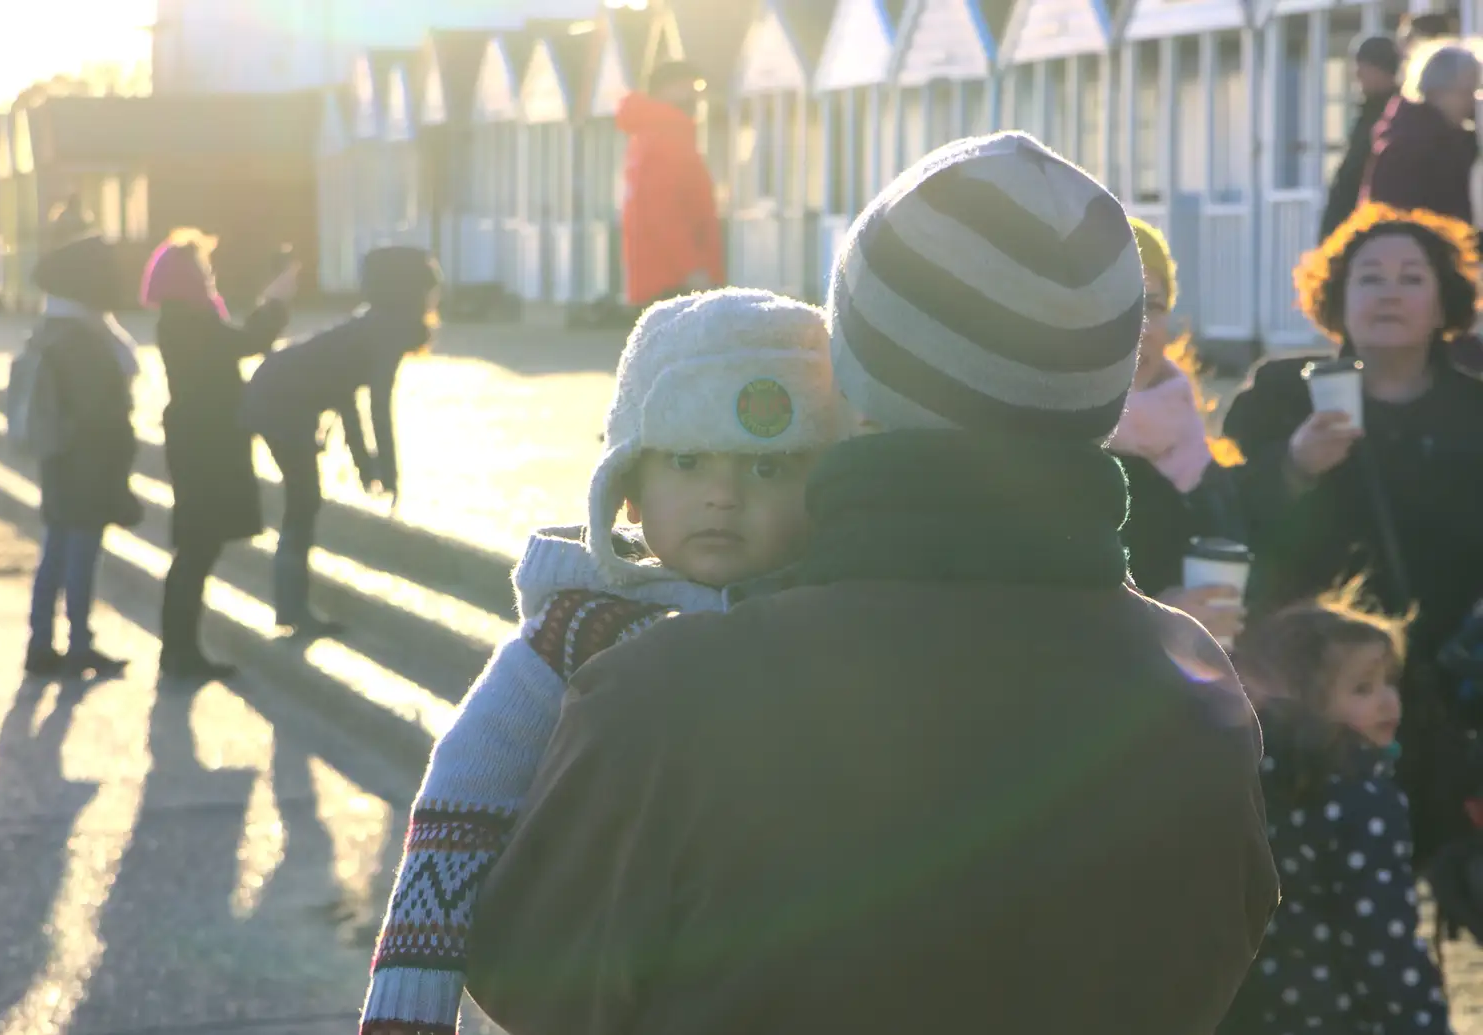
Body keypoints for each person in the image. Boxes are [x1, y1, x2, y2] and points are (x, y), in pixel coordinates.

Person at [465, 132, 1277, 1035]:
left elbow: (528, 990)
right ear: (1101, 385)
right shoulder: (1195, 691)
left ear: (849, 374)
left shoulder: (668, 695)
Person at [358, 288, 850, 1035]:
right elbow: (461, 795)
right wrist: (412, 1001)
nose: (722, 495)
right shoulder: (574, 630)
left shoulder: (835, 622)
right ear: (626, 489)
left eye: (767, 468)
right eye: (687, 460)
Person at [1225, 202, 1483, 863]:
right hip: (1313, 688)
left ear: (1444, 299)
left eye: (1410, 277)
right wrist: (1293, 466)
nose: (1389, 291)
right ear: (1338, 296)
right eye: (1369, 277)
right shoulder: (1282, 395)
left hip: (1450, 684)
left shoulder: (1474, 408)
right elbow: (1225, 522)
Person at [1220, 593, 1450, 1035]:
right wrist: (1422, 1023)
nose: (1388, 702)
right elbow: (1382, 937)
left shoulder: (1252, 787)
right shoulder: (1362, 797)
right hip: (1344, 1016)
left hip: (1258, 1012)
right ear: (1304, 705)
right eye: (1362, 689)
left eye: (1389, 682)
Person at [241, 246, 440, 637]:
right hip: (280, 401)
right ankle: (292, 608)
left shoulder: (374, 323)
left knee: (303, 502)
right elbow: (378, 404)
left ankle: (291, 607)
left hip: (277, 393)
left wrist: (369, 467)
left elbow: (347, 396)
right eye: (430, 287)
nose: (434, 296)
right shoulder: (389, 328)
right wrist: (389, 472)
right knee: (303, 502)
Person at [140, 229, 298, 681]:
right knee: (196, 549)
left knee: (196, 548)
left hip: (198, 439)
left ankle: (180, 650)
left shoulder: (182, 319)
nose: (210, 276)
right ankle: (179, 654)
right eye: (203, 269)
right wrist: (276, 302)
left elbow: (239, 342)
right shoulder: (191, 321)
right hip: (203, 443)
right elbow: (248, 342)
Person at [1112, 218, 1247, 642]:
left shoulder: (1188, 434)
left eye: (1152, 305)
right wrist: (1157, 614)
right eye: (1117, 303)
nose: (1140, 327)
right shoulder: (1053, 448)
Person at [22, 234, 142, 679]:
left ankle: (40, 642)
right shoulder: (84, 339)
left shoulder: (53, 327)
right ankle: (78, 646)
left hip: (60, 458)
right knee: (80, 554)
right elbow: (101, 410)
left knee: (56, 549)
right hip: (86, 460)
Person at [615, 59, 725, 309]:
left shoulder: (648, 135)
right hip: (673, 282)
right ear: (666, 90)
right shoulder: (666, 138)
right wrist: (693, 270)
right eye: (690, 87)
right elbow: (664, 214)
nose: (695, 96)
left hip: (661, 277)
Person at [1361, 41, 1481, 226]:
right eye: (1466, 92)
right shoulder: (1422, 144)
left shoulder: (1406, 131)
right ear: (1438, 91)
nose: (1471, 102)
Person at [1320, 35, 1403, 242]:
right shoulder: (1369, 113)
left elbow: (1358, 172)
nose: (1357, 76)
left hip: (1370, 225)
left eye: (1362, 68)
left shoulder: (1392, 116)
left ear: (1378, 69)